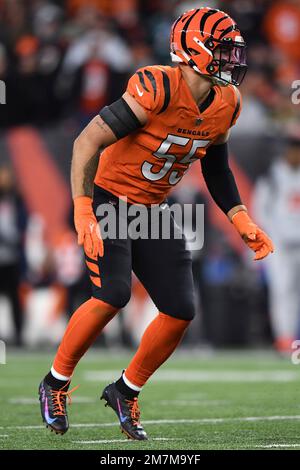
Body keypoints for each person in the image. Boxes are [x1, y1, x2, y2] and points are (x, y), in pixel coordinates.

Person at [39, 7, 274, 440]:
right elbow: (87, 140)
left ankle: (125, 390)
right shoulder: (157, 87)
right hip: (109, 196)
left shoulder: (227, 101)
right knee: (112, 294)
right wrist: (82, 207)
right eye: (223, 51)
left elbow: (217, 167)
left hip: (153, 206)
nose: (232, 61)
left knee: (180, 309)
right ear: (193, 50)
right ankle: (55, 382)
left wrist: (240, 217)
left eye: (233, 52)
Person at [253, 136, 300, 353]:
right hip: (280, 245)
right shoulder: (272, 177)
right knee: (282, 291)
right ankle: (284, 337)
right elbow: (259, 211)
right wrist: (269, 238)